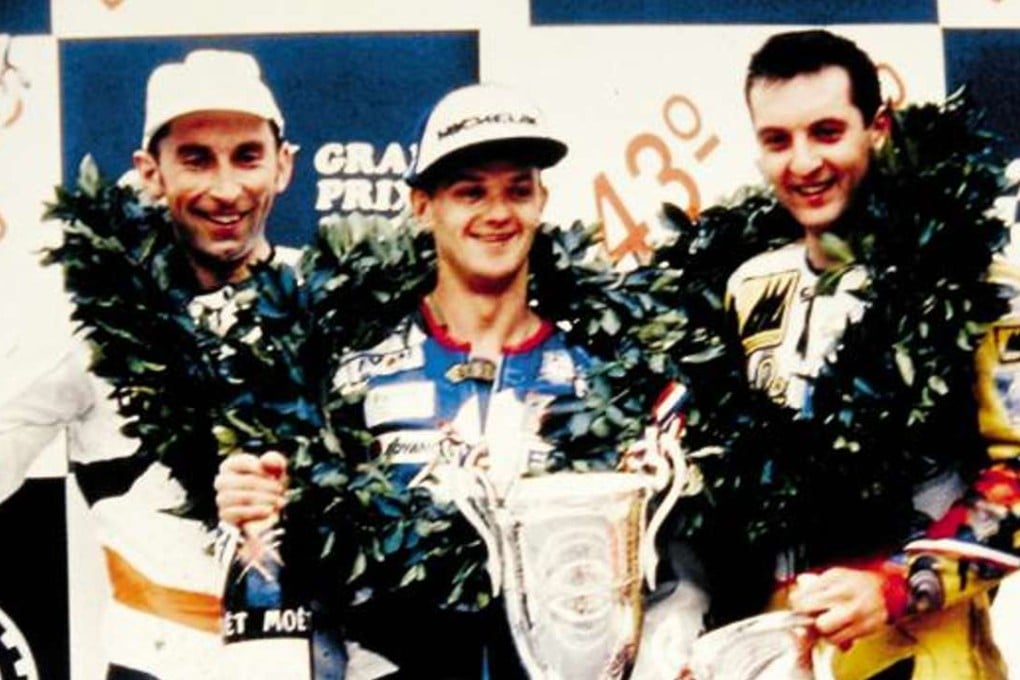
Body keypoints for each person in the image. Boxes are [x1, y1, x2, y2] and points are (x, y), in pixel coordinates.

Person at [216, 82, 707, 679]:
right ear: (423, 206)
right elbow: (302, 584)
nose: (498, 214)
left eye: (517, 190)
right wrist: (253, 503)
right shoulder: (349, 382)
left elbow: (667, 582)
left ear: (542, 199)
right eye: (470, 192)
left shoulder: (604, 383)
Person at [717, 28, 1019, 679]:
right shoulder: (747, 288)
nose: (803, 164)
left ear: (877, 129)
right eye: (778, 140)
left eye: (827, 133)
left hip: (928, 654)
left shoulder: (978, 285)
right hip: (785, 654)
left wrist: (898, 583)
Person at [0, 48, 296, 679]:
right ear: (150, 172)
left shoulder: (334, 303)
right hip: (159, 663)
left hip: (322, 661)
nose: (226, 189)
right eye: (196, 159)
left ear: (283, 166)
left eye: (247, 156)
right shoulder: (90, 319)